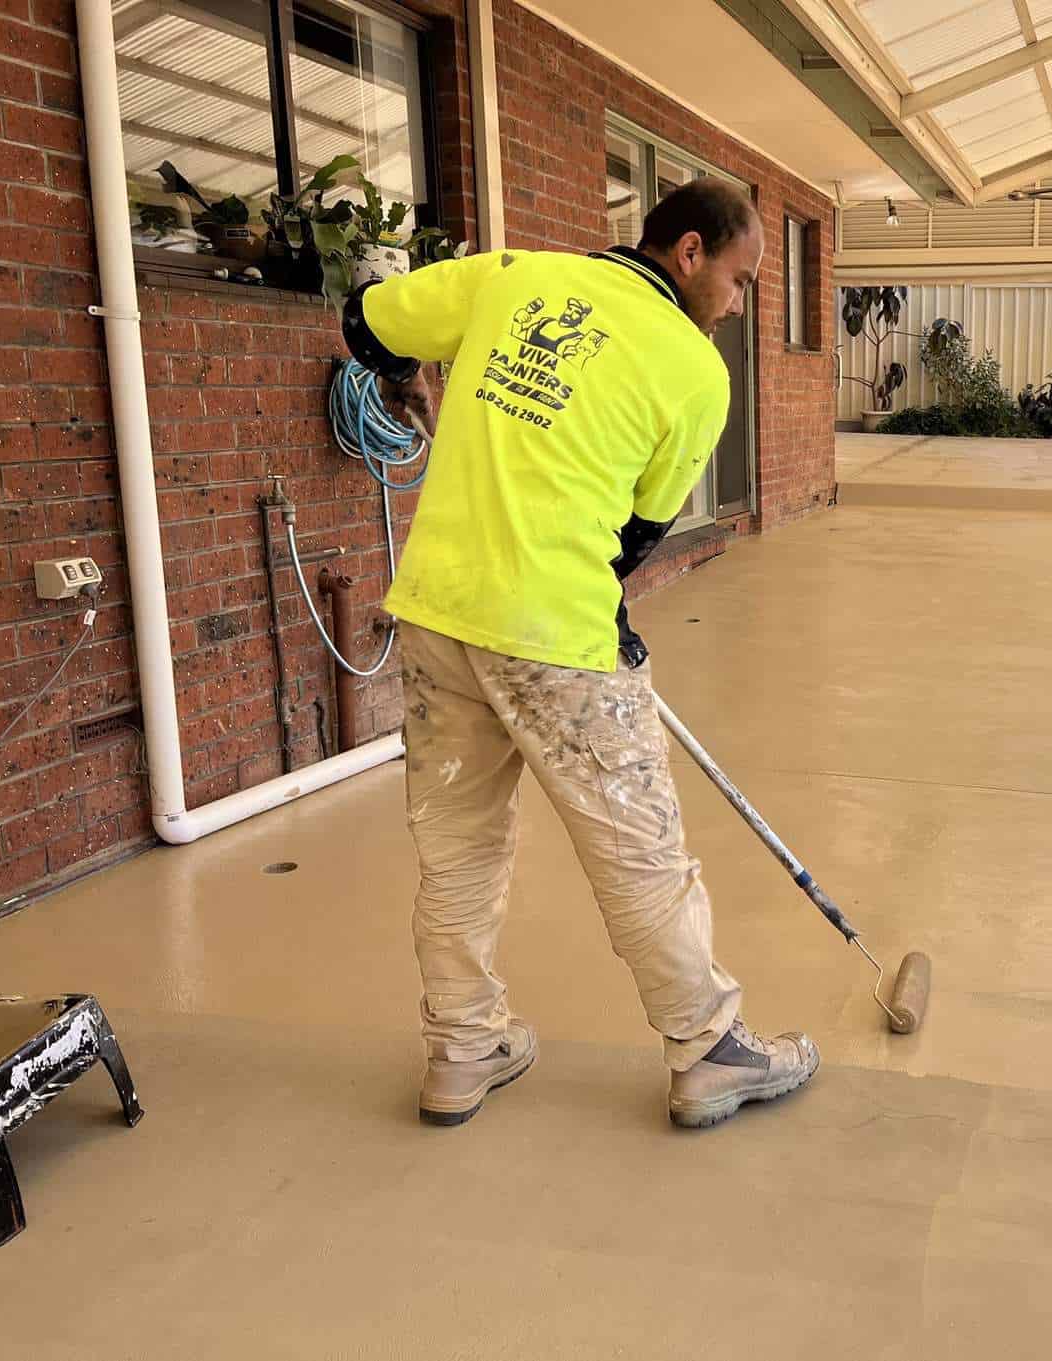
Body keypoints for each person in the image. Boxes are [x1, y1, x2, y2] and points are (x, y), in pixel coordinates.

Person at [339, 180, 819, 1129]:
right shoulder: (691, 368)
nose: (738, 302)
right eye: (739, 277)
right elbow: (638, 533)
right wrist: (595, 610)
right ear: (688, 253)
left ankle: (463, 1050)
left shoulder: (511, 277)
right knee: (639, 850)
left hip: (437, 612)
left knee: (457, 850)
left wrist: (425, 380)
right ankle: (709, 1047)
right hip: (556, 631)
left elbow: (368, 324)